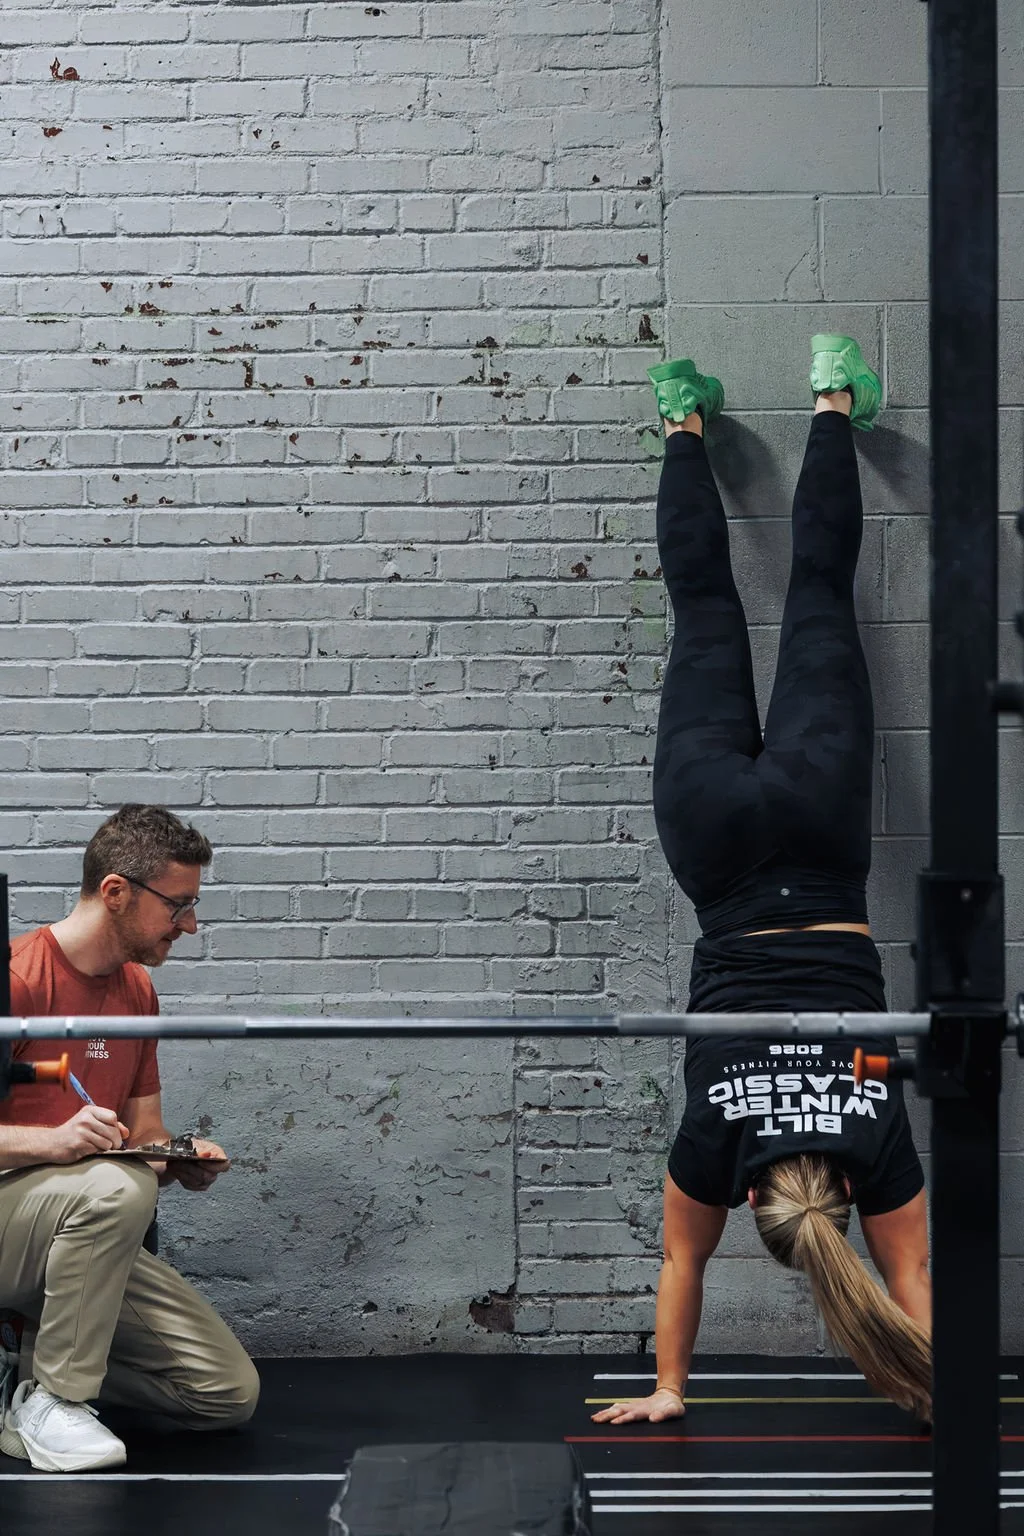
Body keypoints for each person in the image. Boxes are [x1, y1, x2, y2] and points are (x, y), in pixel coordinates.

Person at [594, 336, 931, 1428]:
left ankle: (830, 394)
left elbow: (911, 1279)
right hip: (716, 846)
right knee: (703, 607)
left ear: (841, 1197)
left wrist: (937, 1387)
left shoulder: (872, 1136)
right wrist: (667, 1388)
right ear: (756, 1199)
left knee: (820, 595)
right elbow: (680, 1265)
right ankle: (679, 415)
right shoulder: (719, 1144)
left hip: (820, 835)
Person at [0, 804, 259, 1471]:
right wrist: (51, 1143)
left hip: (84, 1228)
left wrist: (176, 1158)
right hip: (16, 1224)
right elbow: (101, 1171)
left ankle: (19, 1371)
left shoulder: (138, 990)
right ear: (116, 892)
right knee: (116, 1187)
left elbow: (142, 1135)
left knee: (225, 1393)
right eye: (178, 905)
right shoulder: (17, 979)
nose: (190, 925)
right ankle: (56, 1400)